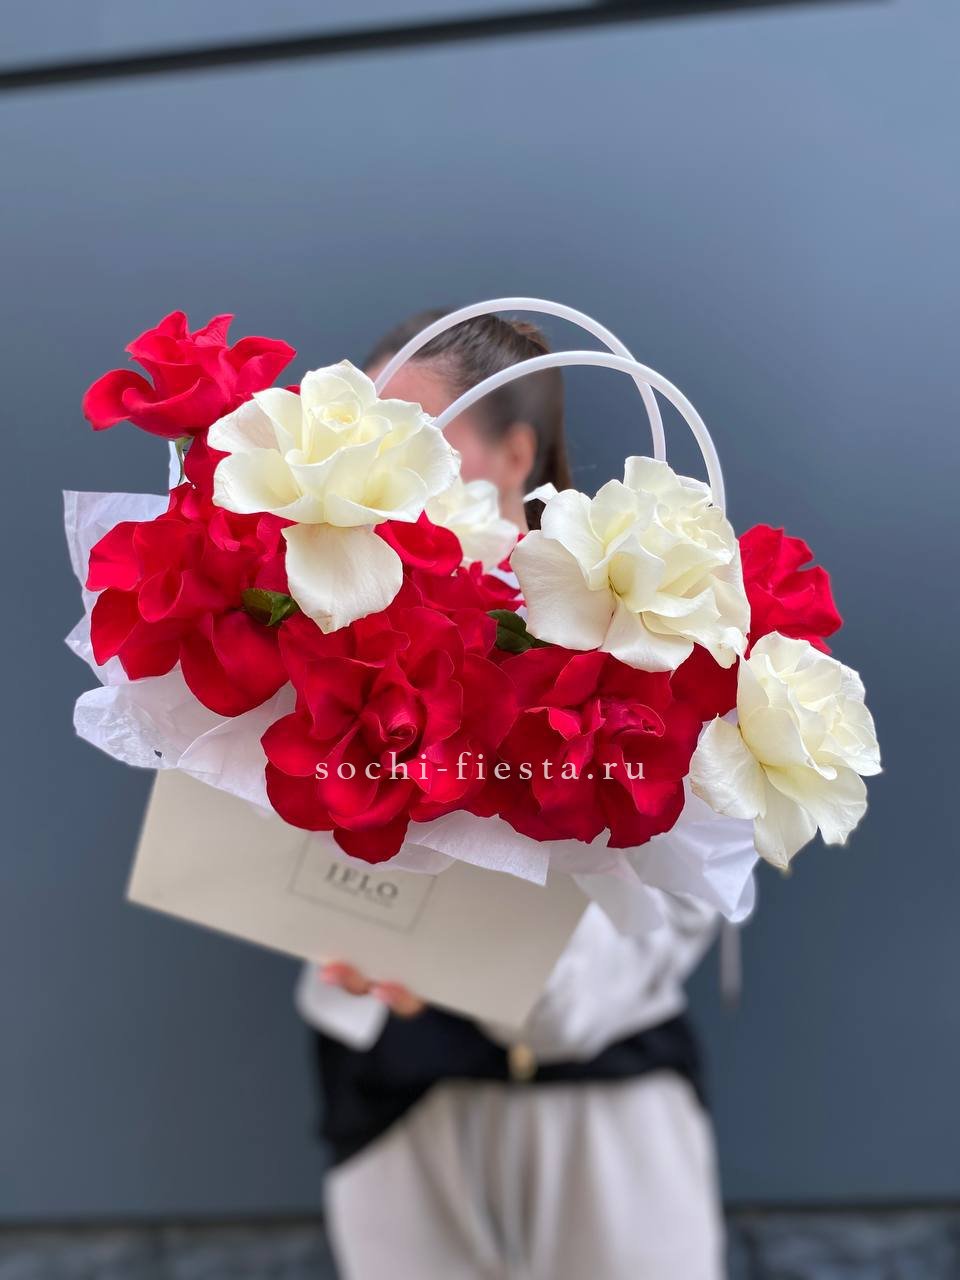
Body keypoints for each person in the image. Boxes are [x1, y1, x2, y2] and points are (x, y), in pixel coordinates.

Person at [297, 311, 728, 1280]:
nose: (374, 466)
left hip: (604, 1127)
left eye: (411, 436)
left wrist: (443, 946)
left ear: (515, 455)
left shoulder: (634, 651)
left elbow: (595, 989)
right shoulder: (322, 617)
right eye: (357, 434)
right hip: (402, 1116)